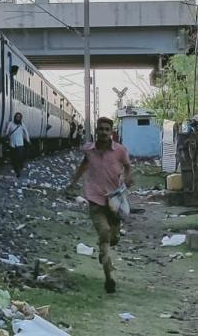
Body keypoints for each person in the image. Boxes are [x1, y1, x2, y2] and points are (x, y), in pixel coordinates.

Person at [66, 117, 133, 294]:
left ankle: (106, 251)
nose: (103, 132)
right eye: (100, 129)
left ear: (111, 131)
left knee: (113, 237)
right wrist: (73, 183)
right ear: (96, 131)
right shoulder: (89, 150)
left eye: (106, 129)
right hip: (95, 199)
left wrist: (128, 178)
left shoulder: (120, 150)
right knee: (104, 233)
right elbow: (84, 164)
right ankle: (108, 277)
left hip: (114, 201)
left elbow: (127, 166)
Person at [5, 112, 30, 177]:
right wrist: (6, 135)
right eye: (17, 117)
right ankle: (17, 171)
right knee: (14, 159)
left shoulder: (22, 125)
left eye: (19, 117)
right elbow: (7, 132)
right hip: (12, 144)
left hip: (20, 144)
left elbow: (26, 132)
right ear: (15, 117)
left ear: (20, 118)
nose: (18, 118)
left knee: (20, 158)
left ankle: (20, 168)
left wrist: (28, 140)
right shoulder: (10, 124)